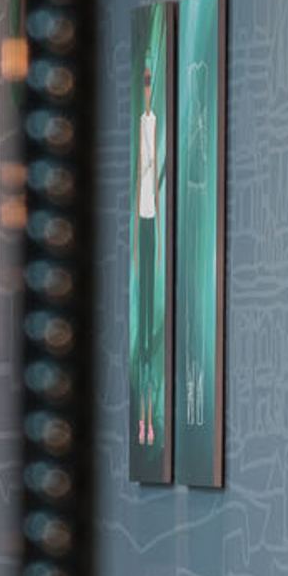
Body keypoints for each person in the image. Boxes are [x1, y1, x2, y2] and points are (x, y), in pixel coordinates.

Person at [131, 44, 162, 453]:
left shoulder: (155, 126)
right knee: (141, 334)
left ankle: (150, 418)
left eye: (152, 81)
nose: (148, 88)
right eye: (145, 81)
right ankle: (143, 418)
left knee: (151, 333)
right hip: (141, 222)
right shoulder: (140, 124)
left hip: (153, 222)